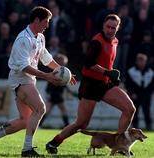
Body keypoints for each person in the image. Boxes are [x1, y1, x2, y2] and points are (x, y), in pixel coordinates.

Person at [0, 6, 76, 157]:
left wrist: (64, 72)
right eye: (46, 21)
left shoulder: (40, 37)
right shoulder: (23, 39)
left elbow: (46, 59)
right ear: (36, 20)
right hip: (20, 79)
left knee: (25, 120)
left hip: (28, 80)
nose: (47, 25)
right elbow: (24, 67)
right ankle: (27, 150)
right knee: (41, 109)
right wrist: (48, 76)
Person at [46, 14, 136, 155]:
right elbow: (88, 64)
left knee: (130, 109)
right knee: (82, 124)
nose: (110, 30)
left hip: (105, 84)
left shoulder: (116, 41)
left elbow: (107, 63)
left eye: (114, 28)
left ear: (118, 28)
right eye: (108, 27)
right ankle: (54, 142)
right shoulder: (97, 41)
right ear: (103, 26)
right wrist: (107, 72)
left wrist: (111, 77)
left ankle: (119, 145)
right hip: (91, 85)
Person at [40, 53, 70, 128]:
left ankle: (67, 126)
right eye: (62, 61)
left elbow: (64, 85)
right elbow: (49, 83)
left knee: (62, 110)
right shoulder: (56, 71)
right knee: (48, 110)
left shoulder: (65, 72)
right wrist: (48, 92)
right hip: (54, 93)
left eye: (64, 61)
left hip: (58, 94)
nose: (63, 62)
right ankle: (67, 126)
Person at [125, 53, 154, 130]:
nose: (141, 63)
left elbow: (151, 85)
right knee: (134, 112)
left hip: (146, 95)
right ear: (136, 61)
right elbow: (128, 84)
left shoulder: (150, 72)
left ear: (146, 62)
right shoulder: (131, 71)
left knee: (147, 112)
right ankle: (135, 128)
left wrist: (149, 94)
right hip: (135, 95)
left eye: (143, 61)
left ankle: (149, 127)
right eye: (139, 61)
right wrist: (132, 93)